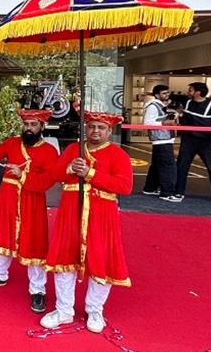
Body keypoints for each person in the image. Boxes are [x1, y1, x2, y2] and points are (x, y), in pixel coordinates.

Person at [41, 111, 133, 334]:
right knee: (65, 258)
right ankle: (63, 310)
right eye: (91, 127)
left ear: (110, 131)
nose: (95, 131)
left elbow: (124, 186)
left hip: (102, 215)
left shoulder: (117, 154)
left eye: (101, 128)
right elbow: (54, 174)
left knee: (100, 258)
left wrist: (90, 173)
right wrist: (69, 169)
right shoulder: (74, 149)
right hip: (71, 212)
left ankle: (95, 309)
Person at [0, 109, 58, 313]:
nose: (29, 128)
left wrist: (22, 175)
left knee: (35, 243)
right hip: (8, 197)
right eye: (26, 124)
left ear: (42, 127)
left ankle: (38, 290)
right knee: (3, 235)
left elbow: (49, 181)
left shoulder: (49, 151)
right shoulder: (13, 142)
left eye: (33, 124)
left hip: (32, 200)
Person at [164, 82, 211, 206]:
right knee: (182, 166)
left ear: (198, 92)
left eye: (191, 90)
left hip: (205, 141)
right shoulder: (187, 102)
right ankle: (178, 193)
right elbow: (173, 100)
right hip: (188, 140)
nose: (188, 92)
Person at [141, 85, 177, 197]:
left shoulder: (161, 105)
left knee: (157, 165)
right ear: (157, 95)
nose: (167, 95)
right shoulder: (153, 106)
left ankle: (150, 188)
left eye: (168, 93)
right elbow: (147, 123)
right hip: (161, 139)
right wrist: (165, 123)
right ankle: (167, 193)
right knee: (167, 166)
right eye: (164, 93)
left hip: (164, 139)